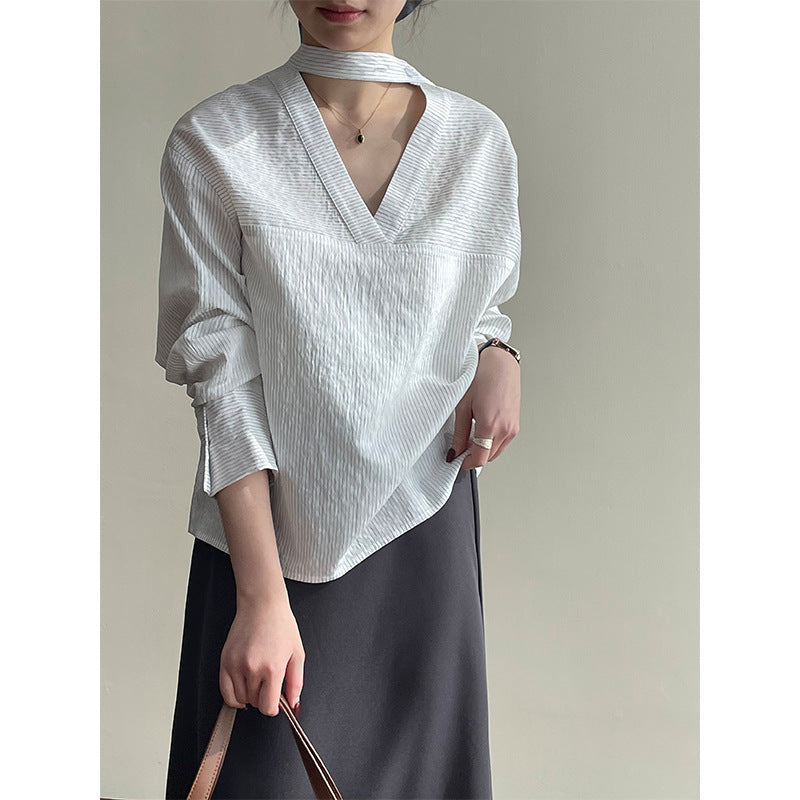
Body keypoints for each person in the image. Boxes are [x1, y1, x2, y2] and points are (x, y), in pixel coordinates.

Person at [155, 1, 522, 797]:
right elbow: (221, 377)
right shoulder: (218, 141)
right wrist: (260, 596)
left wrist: (499, 352)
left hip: (421, 534)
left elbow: (475, 308)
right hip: (266, 542)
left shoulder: (476, 142)